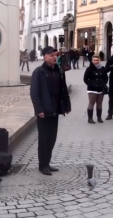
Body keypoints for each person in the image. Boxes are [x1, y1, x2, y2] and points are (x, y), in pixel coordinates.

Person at [30, 46, 71, 176]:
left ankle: (47, 162)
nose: (54, 57)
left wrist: (65, 106)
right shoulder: (39, 72)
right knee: (44, 139)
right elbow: (34, 93)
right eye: (51, 55)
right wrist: (39, 109)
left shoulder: (58, 70)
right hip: (44, 112)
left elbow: (63, 90)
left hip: (55, 109)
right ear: (44, 57)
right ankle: (42, 165)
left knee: (52, 138)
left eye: (56, 55)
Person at [83, 56, 108, 124]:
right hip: (92, 89)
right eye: (94, 60)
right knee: (91, 103)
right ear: (92, 61)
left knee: (99, 103)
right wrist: (90, 84)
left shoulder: (103, 68)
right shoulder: (89, 69)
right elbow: (85, 79)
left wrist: (104, 83)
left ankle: (99, 117)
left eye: (97, 60)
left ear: (99, 60)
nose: (96, 61)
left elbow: (106, 77)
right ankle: (90, 118)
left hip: (100, 88)